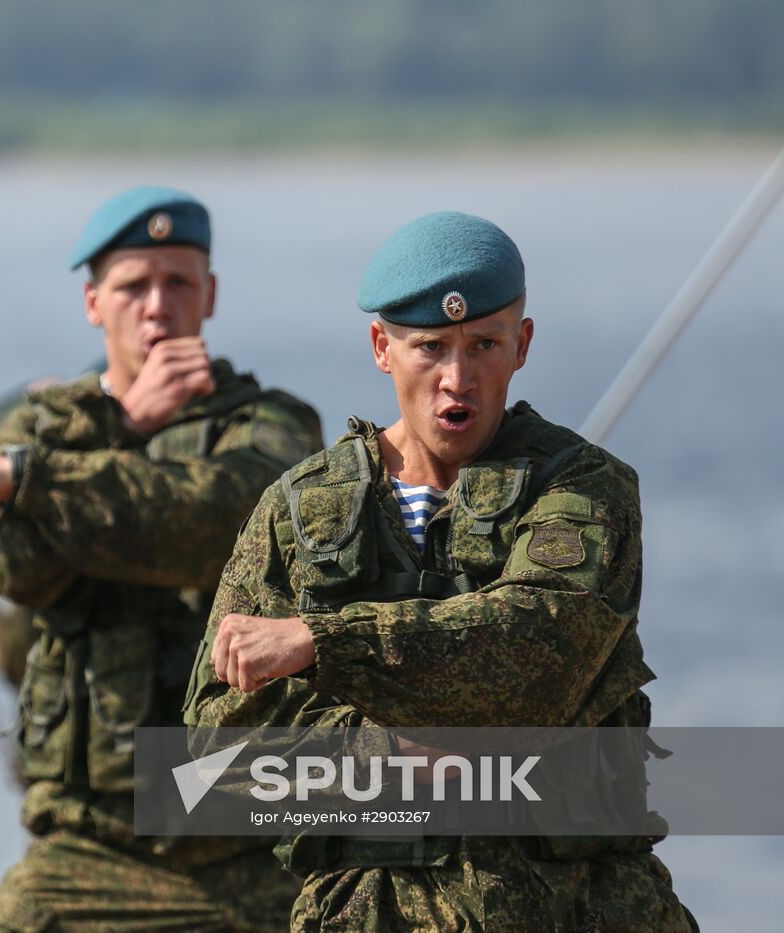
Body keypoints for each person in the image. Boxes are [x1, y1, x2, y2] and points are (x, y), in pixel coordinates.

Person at [186, 211, 697, 931]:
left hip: (577, 907)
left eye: (483, 344)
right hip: (368, 912)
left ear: (520, 345)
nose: (457, 379)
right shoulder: (298, 509)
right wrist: (379, 757)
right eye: (430, 347)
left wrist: (325, 643)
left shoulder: (581, 488)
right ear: (381, 348)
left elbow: (532, 649)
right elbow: (213, 751)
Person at [0, 187, 326, 932]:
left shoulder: (271, 424)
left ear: (209, 295)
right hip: (91, 838)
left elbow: (220, 520)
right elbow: (11, 561)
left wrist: (33, 482)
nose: (156, 306)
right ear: (93, 302)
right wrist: (125, 421)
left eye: (178, 283)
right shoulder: (41, 423)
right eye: (132, 286)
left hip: (247, 831)